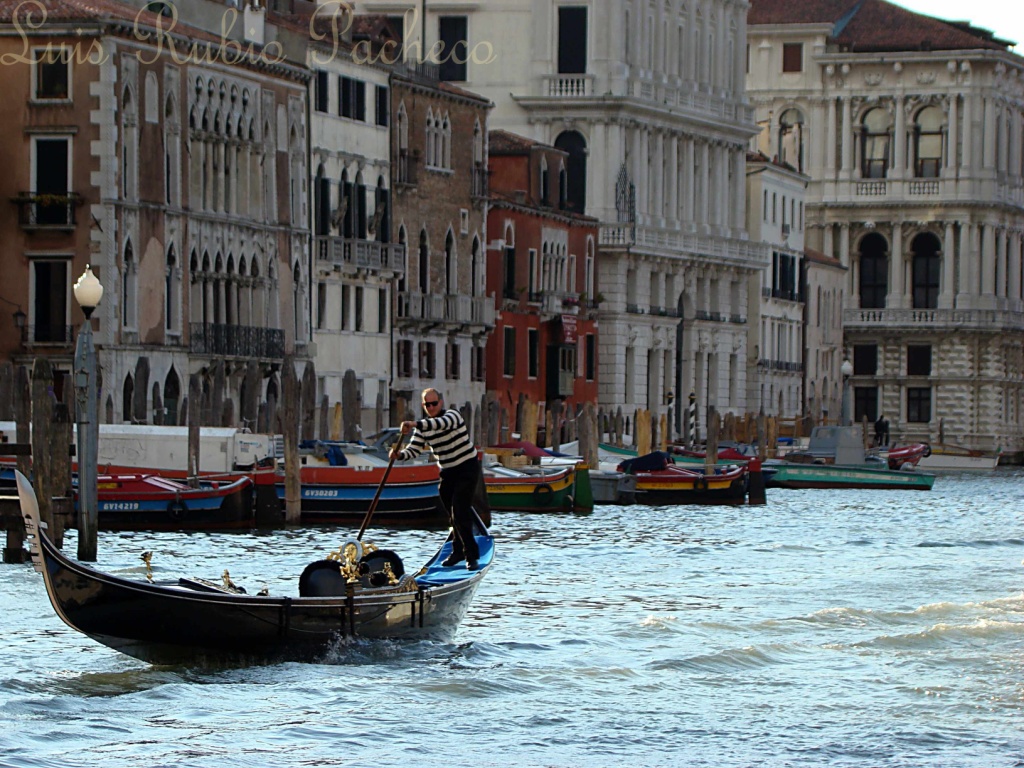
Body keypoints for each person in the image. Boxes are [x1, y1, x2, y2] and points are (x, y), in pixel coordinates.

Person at [391, 388, 482, 570]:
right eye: (427, 404)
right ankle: (457, 551)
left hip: (467, 467)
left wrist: (414, 424)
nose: (431, 407)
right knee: (452, 514)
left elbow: (439, 424)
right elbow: (414, 450)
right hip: (448, 471)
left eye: (434, 403)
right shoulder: (423, 428)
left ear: (440, 403)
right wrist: (399, 455)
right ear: (423, 405)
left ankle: (471, 556)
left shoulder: (452, 416)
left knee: (460, 511)